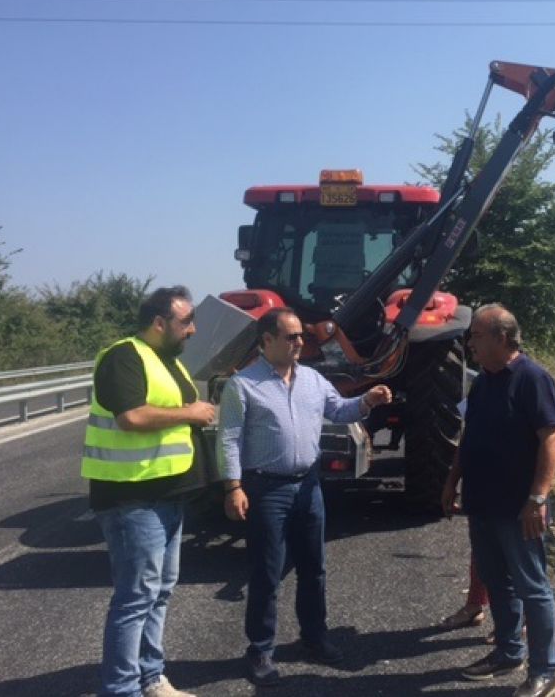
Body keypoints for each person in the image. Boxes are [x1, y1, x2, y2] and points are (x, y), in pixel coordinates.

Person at [216, 307, 392, 686]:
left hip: (309, 486)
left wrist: (367, 401)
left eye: (300, 336)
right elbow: (228, 438)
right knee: (267, 571)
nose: (300, 342)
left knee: (314, 566)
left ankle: (314, 636)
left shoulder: (313, 379)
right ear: (266, 341)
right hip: (266, 488)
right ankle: (260, 648)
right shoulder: (243, 385)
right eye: (291, 337)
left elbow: (339, 410)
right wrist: (233, 487)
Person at [83, 286, 217, 697]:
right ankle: (121, 689)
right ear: (159, 323)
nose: (193, 330)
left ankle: (152, 679)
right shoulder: (124, 356)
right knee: (136, 598)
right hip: (132, 498)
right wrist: (191, 412)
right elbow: (132, 416)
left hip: (167, 495)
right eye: (186, 322)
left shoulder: (166, 360)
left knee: (159, 594)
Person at [442, 303, 555, 697]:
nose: (470, 342)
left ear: (501, 337)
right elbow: (469, 435)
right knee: (497, 582)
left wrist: (538, 497)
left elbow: (551, 438)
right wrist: (451, 482)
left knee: (532, 586)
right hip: (482, 502)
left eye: (476, 335)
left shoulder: (532, 378)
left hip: (518, 506)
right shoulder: (482, 381)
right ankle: (508, 652)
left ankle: (545, 669)